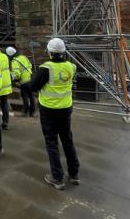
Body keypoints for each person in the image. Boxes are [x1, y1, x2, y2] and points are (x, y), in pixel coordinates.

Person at [31, 37, 79, 190]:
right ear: (63, 51)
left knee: (51, 142)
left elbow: (33, 86)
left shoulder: (46, 68)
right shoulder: (71, 67)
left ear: (49, 52)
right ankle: (74, 174)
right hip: (65, 109)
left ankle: (57, 177)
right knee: (67, 140)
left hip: (49, 110)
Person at [6, 46, 36, 117]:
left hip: (23, 82)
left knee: (24, 96)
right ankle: (32, 112)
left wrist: (15, 80)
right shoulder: (23, 57)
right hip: (30, 79)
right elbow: (30, 65)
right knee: (31, 96)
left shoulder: (14, 61)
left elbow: (17, 74)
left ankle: (25, 112)